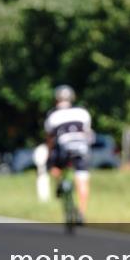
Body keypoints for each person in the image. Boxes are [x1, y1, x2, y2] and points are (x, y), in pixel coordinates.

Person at [44, 84, 94, 223]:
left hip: (63, 150)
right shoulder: (83, 113)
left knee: (54, 166)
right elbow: (88, 133)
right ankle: (82, 213)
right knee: (82, 180)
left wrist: (49, 157)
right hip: (81, 149)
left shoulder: (52, 115)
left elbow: (50, 139)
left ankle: (60, 183)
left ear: (56, 99)